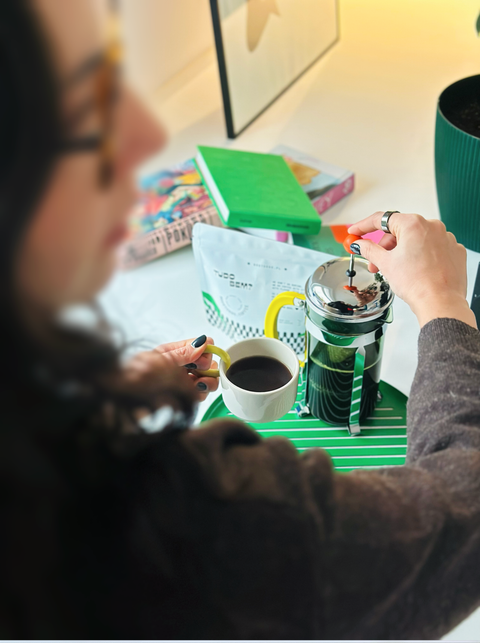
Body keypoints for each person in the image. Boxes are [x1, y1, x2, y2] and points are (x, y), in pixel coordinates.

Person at [1, 0, 480, 639]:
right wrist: (445, 304)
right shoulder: (199, 517)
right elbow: (463, 518)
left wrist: (100, 419)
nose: (144, 133)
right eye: (86, 105)